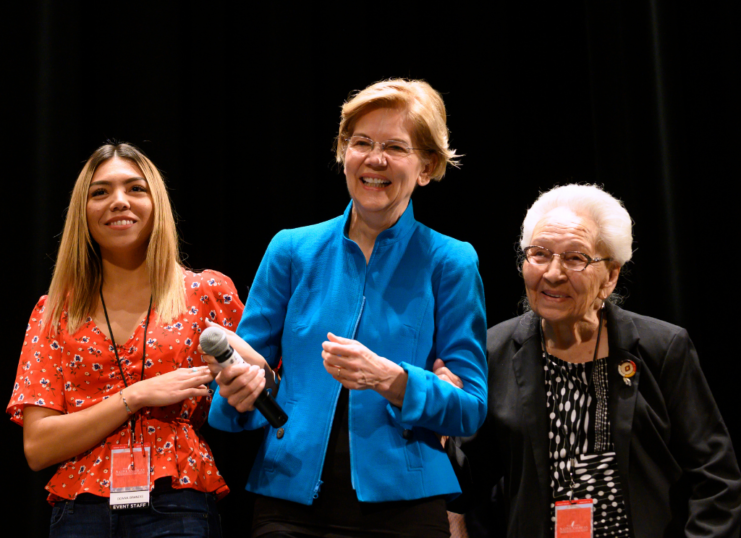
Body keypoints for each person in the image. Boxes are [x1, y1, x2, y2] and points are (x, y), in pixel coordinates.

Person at [207, 79, 488, 537]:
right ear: (343, 152)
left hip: (406, 504)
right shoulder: (292, 249)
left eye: (396, 147)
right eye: (361, 142)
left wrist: (392, 379)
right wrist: (240, 392)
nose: (375, 159)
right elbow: (241, 382)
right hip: (288, 498)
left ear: (427, 166)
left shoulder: (452, 260)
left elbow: (470, 408)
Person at [440, 184, 741, 537]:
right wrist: (443, 427)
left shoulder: (663, 348)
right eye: (540, 254)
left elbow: (716, 479)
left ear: (610, 275)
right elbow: (470, 484)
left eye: (575, 258)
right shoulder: (494, 351)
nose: (553, 273)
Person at [7, 142, 244, 537]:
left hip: (177, 504)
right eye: (100, 192)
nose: (119, 202)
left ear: (157, 204)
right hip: (79, 511)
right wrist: (136, 396)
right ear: (83, 212)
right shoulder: (54, 311)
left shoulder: (206, 292)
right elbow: (38, 447)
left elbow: (264, 390)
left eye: (135, 189)